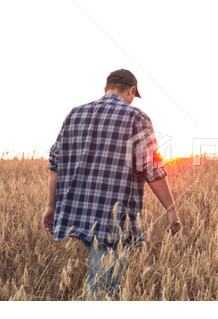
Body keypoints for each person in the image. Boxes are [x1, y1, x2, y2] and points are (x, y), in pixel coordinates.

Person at [41, 69, 181, 300]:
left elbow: (55, 162)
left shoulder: (75, 114)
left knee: (100, 280)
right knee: (102, 291)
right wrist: (171, 210)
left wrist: (51, 206)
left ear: (106, 89)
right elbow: (152, 169)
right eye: (133, 96)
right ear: (132, 91)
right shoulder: (137, 117)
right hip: (112, 221)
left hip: (78, 214)